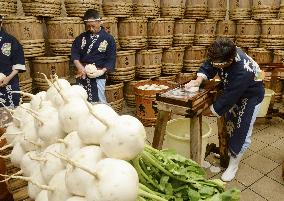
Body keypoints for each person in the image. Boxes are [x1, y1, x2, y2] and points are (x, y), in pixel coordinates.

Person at [185, 37, 265, 182]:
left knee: (242, 130)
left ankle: (233, 165)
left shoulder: (242, 71)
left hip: (250, 96)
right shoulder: (223, 51)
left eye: (219, 65)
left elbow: (227, 99)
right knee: (230, 125)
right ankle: (228, 152)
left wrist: (201, 110)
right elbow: (210, 64)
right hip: (236, 90)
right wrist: (198, 80)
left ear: (229, 61)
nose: (215, 65)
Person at [71, 9, 116, 103]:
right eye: (88, 26)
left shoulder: (108, 39)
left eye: (93, 26)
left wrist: (102, 71)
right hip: (82, 74)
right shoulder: (81, 38)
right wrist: (80, 67)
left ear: (100, 22)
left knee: (99, 101)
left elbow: (111, 58)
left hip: (98, 74)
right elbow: (74, 53)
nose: (91, 29)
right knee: (82, 100)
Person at [0, 15, 26, 110]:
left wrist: (8, 78)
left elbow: (18, 62)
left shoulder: (11, 40)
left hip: (9, 82)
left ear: (1, 23)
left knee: (10, 115)